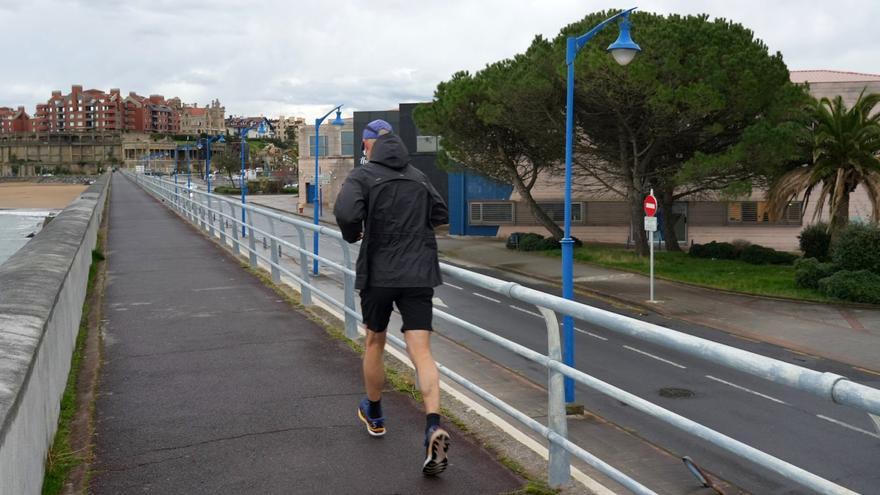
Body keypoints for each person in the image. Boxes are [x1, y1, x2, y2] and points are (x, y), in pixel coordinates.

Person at [334, 119, 451, 476]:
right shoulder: (418, 176)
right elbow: (441, 215)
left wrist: (355, 234)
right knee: (422, 351)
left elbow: (346, 213)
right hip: (418, 272)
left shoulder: (363, 175)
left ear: (369, 145)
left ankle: (375, 412)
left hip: (380, 273)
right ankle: (433, 423)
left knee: (374, 341)